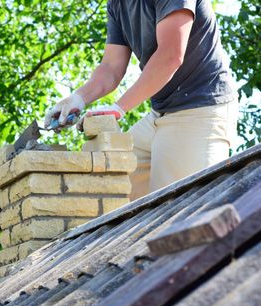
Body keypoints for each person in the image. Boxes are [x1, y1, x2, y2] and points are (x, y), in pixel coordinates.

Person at [44, 0, 238, 201]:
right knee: (109, 182)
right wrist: (78, 98)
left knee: (179, 211)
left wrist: (119, 108)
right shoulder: (117, 4)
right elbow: (111, 67)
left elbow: (170, 55)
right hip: (160, 114)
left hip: (200, 111)